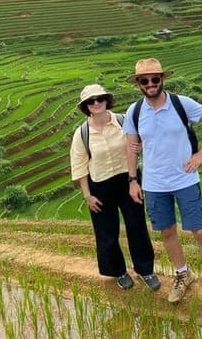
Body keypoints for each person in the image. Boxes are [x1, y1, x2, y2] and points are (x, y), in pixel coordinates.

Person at [122, 58, 202, 306]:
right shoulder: (134, 111)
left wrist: (201, 154)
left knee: (200, 231)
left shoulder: (181, 103)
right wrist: (133, 180)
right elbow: (131, 147)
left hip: (185, 179)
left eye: (154, 79)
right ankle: (183, 274)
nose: (150, 84)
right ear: (138, 84)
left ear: (162, 80)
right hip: (154, 184)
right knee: (167, 231)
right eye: (144, 80)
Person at [69, 84, 160, 292]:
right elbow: (80, 167)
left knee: (137, 226)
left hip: (128, 180)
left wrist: (138, 156)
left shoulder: (123, 121)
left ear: (106, 100)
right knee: (106, 232)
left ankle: (145, 270)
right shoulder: (82, 133)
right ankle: (118, 272)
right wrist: (88, 196)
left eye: (99, 99)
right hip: (99, 185)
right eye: (91, 101)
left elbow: (140, 142)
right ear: (85, 106)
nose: (96, 103)